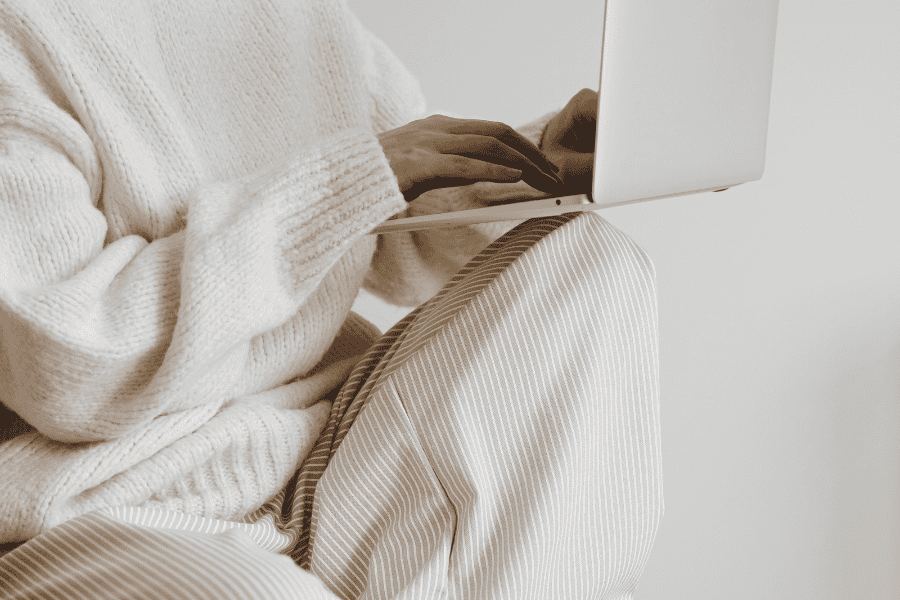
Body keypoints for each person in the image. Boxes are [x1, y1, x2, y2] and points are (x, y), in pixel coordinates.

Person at [0, 0, 662, 598]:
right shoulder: (22, 33)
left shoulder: (310, 20)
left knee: (593, 263)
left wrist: (534, 169)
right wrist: (352, 180)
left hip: (323, 455)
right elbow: (68, 368)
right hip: (95, 503)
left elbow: (400, 244)